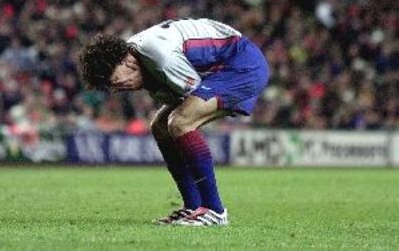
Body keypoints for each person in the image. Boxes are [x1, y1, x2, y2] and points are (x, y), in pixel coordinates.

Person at [78, 18, 270, 226]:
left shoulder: (159, 56)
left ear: (127, 62)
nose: (117, 89)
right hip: (224, 66)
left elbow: (189, 98)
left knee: (180, 122)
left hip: (242, 64)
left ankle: (214, 210)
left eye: (115, 80)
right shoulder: (139, 55)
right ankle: (193, 207)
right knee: (160, 127)